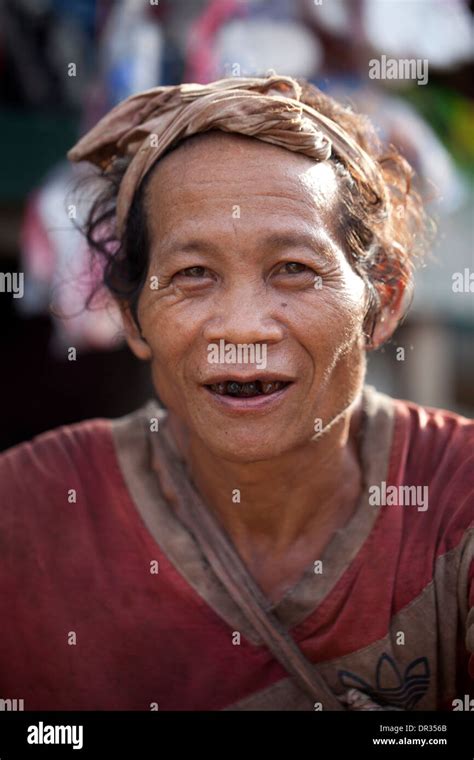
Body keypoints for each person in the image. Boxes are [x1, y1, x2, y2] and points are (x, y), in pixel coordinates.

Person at [0, 75, 472, 711]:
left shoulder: (458, 502)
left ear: (381, 302)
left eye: (294, 269)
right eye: (193, 274)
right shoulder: (33, 507)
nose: (244, 326)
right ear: (133, 316)